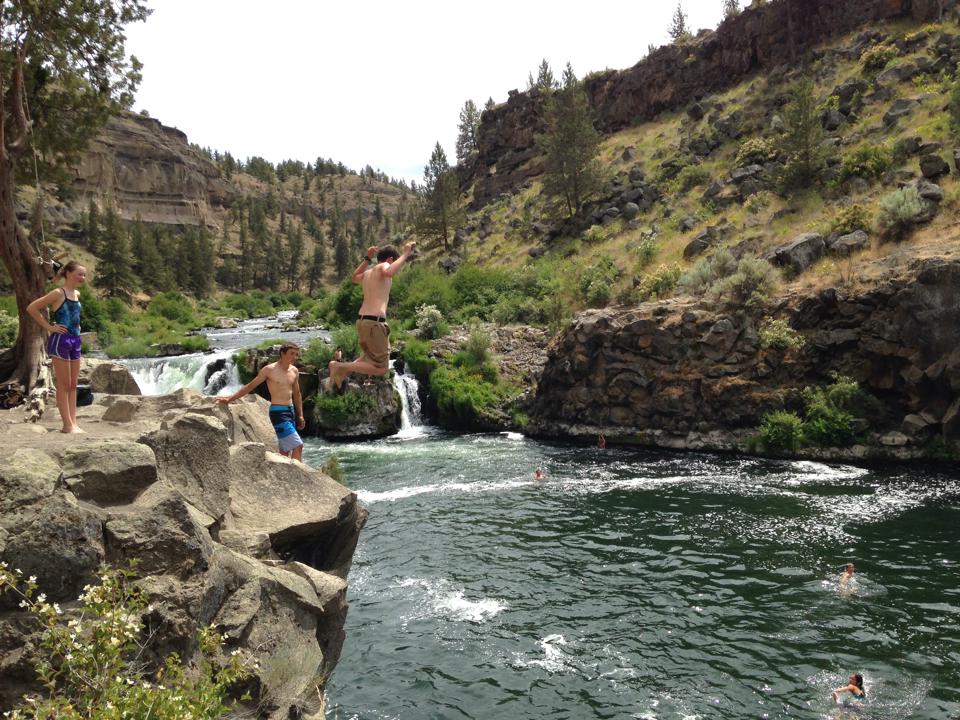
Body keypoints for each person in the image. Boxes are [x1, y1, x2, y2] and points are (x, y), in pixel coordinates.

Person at [327, 242, 415, 391]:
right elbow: (389, 272)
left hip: (363, 322)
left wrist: (367, 258)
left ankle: (341, 372)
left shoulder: (368, 273)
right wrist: (406, 253)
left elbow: (354, 278)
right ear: (390, 259)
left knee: (367, 358)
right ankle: (338, 366)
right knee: (382, 369)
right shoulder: (383, 267)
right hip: (374, 324)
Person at [26, 260, 87, 433]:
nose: (82, 277)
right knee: (64, 384)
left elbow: (74, 315)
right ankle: (67, 425)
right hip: (60, 340)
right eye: (80, 274)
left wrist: (78, 327)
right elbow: (32, 308)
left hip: (75, 340)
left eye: (84, 275)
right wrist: (49, 327)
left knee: (74, 384)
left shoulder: (77, 294)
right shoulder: (57, 293)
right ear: (68, 273)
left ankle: (74, 423)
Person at [218, 343, 305, 460]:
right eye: (292, 354)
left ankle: (282, 474)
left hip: (291, 411)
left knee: (285, 450)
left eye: (296, 354)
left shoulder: (294, 371)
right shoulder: (269, 370)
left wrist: (300, 415)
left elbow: (297, 394)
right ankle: (297, 475)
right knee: (298, 445)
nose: (295, 357)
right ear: (282, 354)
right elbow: (250, 386)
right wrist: (230, 399)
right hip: (278, 413)